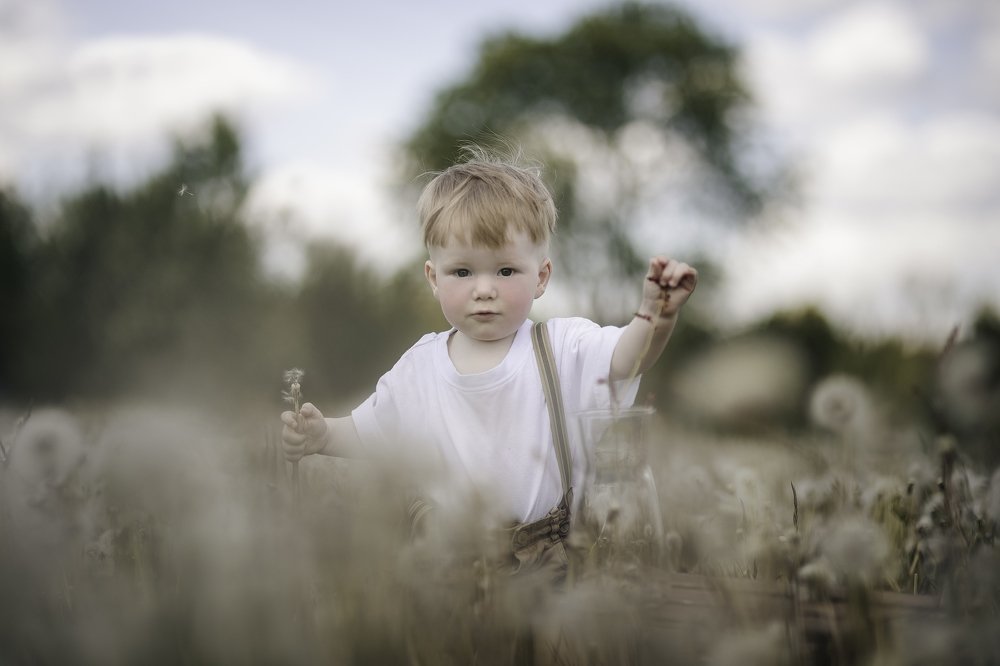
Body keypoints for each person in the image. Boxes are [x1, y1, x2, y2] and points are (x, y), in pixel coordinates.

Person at [280, 147, 696, 571]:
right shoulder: (419, 367)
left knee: (553, 636)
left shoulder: (561, 345)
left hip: (547, 557)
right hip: (449, 559)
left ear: (541, 277)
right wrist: (323, 436)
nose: (484, 289)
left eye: (505, 271)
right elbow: (373, 431)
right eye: (462, 272)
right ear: (433, 278)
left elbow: (626, 359)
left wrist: (654, 316)